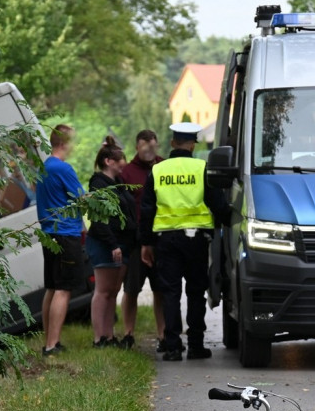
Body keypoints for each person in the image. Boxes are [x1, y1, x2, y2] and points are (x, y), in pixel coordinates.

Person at [139, 122, 229, 361]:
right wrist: (231, 220)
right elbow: (217, 203)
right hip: (196, 241)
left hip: (166, 242)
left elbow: (147, 210)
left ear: (172, 143)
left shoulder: (157, 171)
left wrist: (146, 243)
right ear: (192, 144)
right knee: (196, 292)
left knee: (170, 293)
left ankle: (172, 347)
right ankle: (197, 346)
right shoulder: (202, 168)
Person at [36, 124, 86, 356]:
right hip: (66, 233)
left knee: (53, 287)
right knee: (63, 290)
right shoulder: (64, 168)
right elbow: (82, 199)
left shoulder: (43, 167)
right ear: (64, 143)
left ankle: (49, 339)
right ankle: (52, 345)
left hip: (49, 233)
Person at [85, 136, 137, 348]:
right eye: (120, 159)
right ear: (109, 161)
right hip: (106, 244)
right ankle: (99, 337)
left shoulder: (118, 184)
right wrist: (112, 244)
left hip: (123, 244)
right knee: (103, 291)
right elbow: (100, 219)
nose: (123, 163)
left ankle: (109, 334)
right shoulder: (98, 184)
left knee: (113, 291)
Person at [119, 129, 165, 351]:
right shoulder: (127, 173)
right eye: (145, 146)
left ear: (158, 146)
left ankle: (163, 334)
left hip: (161, 239)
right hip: (136, 242)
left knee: (161, 290)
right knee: (131, 289)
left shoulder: (164, 167)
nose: (149, 150)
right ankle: (128, 333)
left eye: (153, 146)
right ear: (137, 148)